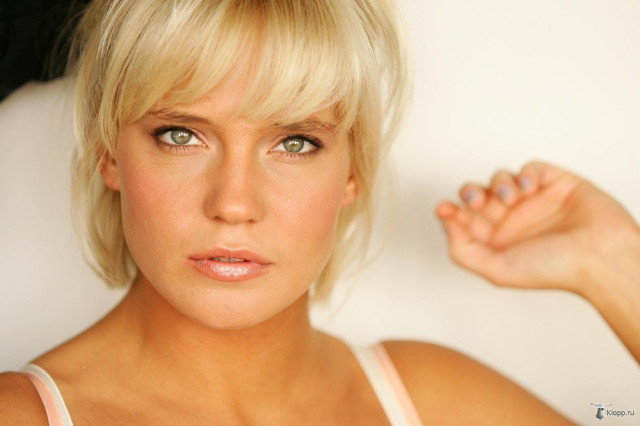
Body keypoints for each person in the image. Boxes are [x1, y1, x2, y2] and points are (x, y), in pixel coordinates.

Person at [1, 0, 638, 424]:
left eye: (295, 143)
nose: (234, 204)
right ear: (109, 154)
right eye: (181, 135)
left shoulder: (433, 400)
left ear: (353, 172)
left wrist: (616, 266)